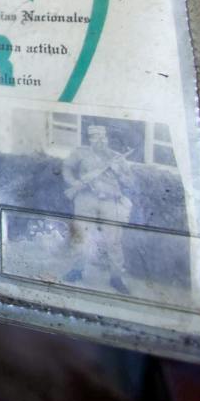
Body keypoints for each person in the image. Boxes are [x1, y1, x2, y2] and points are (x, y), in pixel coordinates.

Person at [61, 121, 137, 294]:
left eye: (102, 136)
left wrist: (118, 170)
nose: (100, 140)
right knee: (81, 235)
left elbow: (130, 181)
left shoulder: (117, 157)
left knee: (114, 241)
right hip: (85, 199)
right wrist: (74, 183)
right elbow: (66, 168)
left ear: (107, 138)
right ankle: (77, 270)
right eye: (95, 137)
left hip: (111, 201)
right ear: (89, 138)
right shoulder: (80, 153)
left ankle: (116, 278)